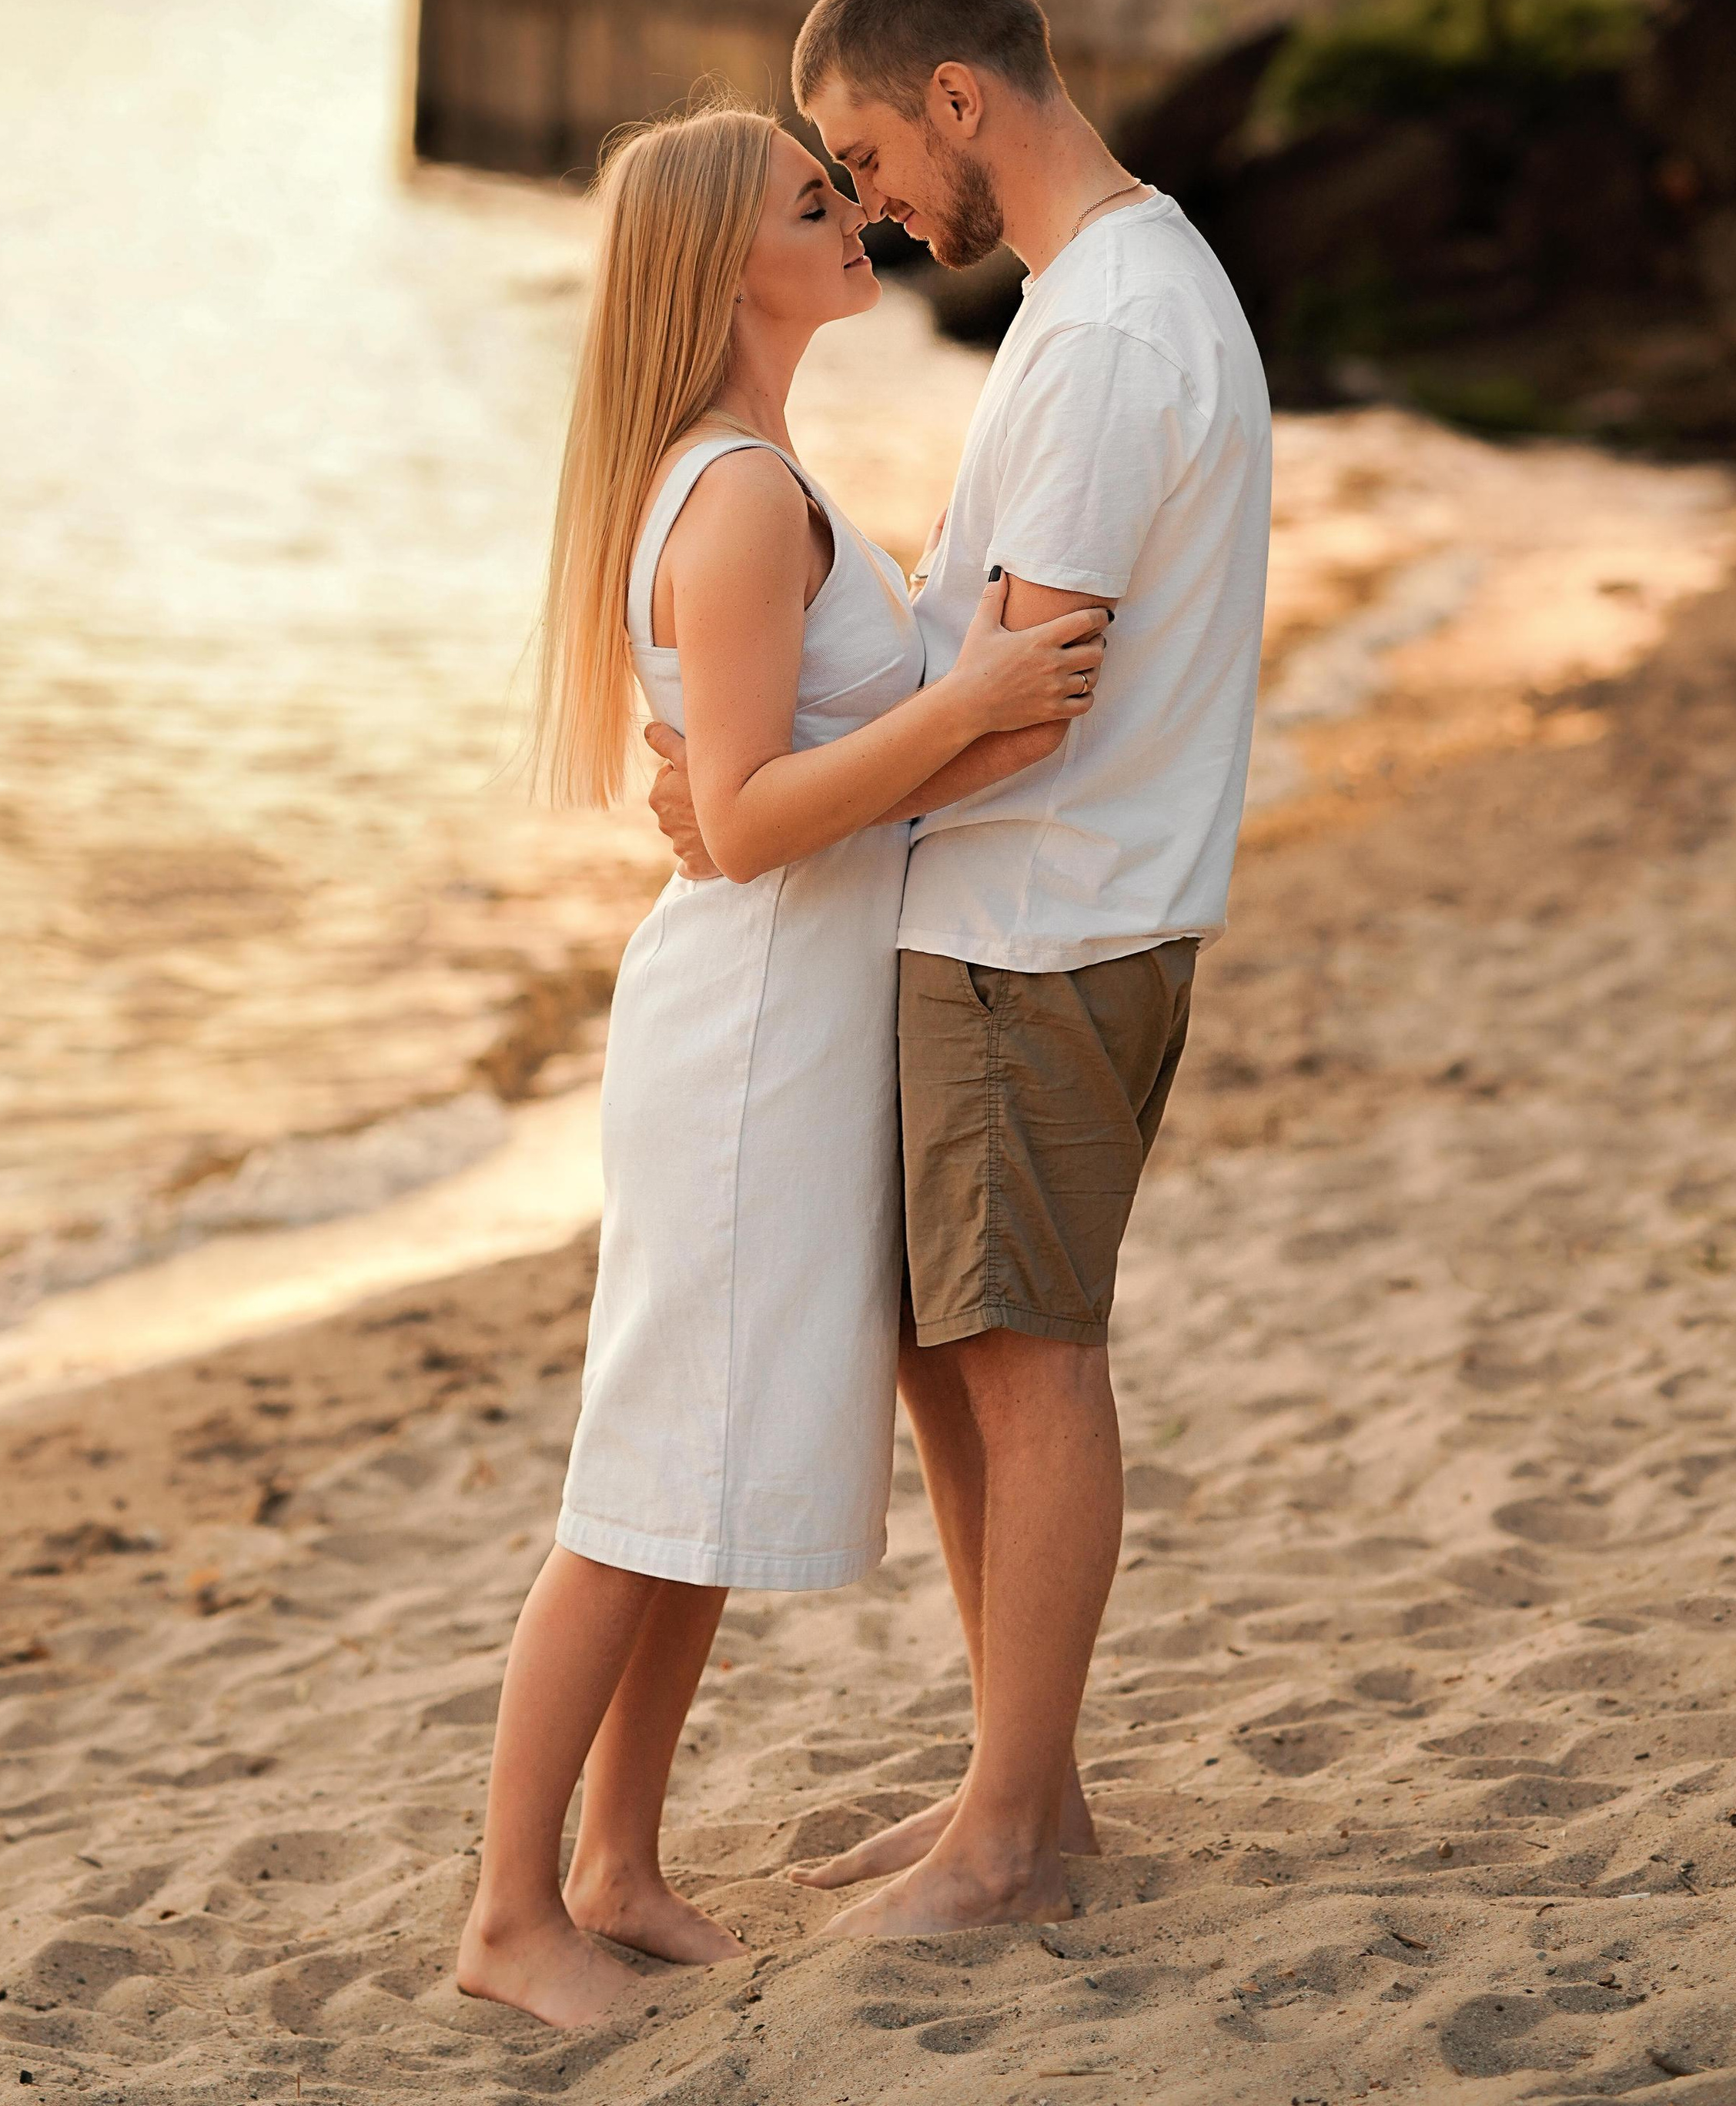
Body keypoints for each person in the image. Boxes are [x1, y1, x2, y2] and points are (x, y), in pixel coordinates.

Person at [456, 103, 1108, 2028]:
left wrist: (966, 726)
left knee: (700, 1475)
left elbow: (755, 786)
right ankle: (508, 1910)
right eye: (810, 203)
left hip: (784, 1027)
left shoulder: (751, 468)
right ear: (722, 262)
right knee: (637, 1478)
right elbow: (738, 819)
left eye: (844, 188)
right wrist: (975, 697)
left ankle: (617, 1862)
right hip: (745, 1041)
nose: (853, 218)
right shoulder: (736, 494)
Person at [649, 0, 1273, 1935]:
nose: (869, 201)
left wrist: (753, 819)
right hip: (1022, 900)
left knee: (1024, 1353)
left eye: (861, 151)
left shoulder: (1101, 334)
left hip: (1047, 911)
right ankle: (1027, 1791)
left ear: (957, 99)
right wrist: (767, 784)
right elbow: (984, 667)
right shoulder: (1102, 295)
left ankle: (1013, 1832)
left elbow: (1032, 692)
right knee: (958, 1345)